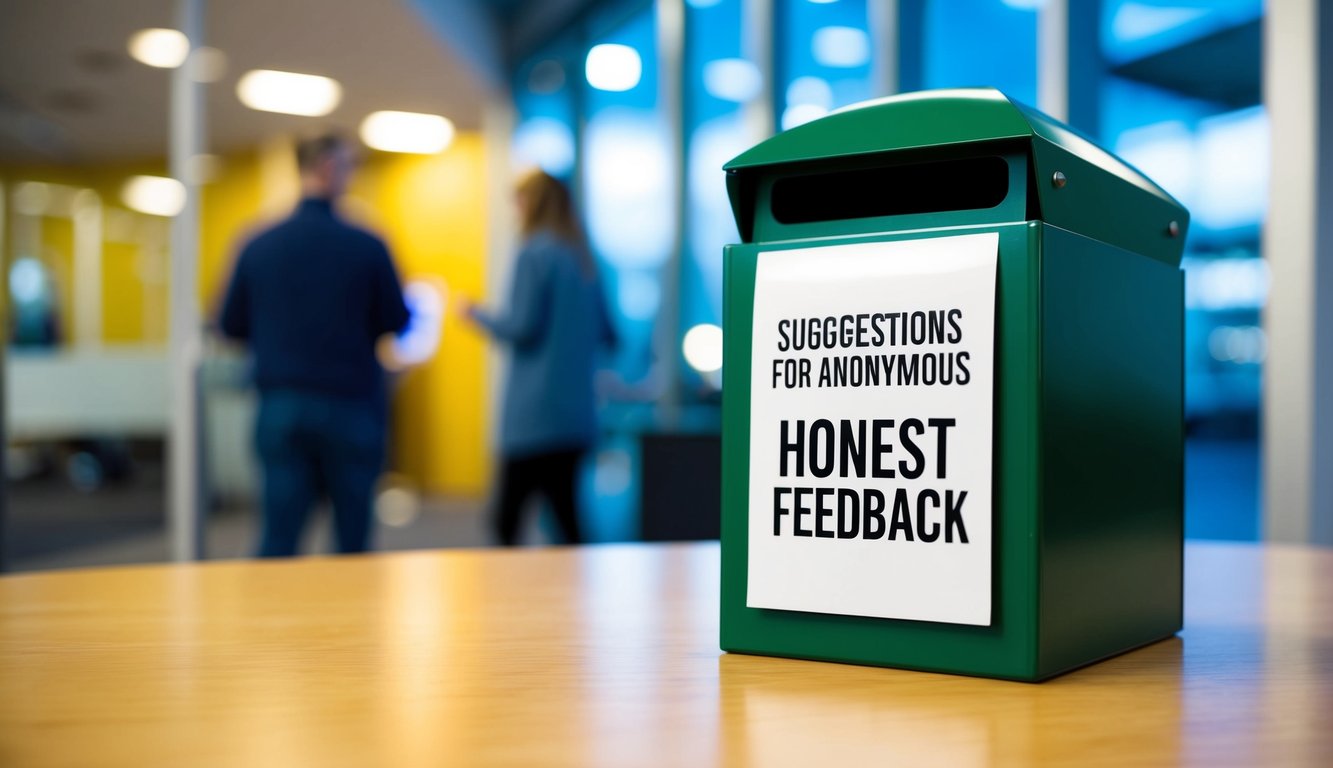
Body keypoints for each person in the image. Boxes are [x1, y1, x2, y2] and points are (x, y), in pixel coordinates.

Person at [218, 133, 410, 557]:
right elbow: (397, 320)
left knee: (279, 538)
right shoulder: (368, 245)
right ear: (328, 166)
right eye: (349, 166)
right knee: (353, 543)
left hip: (282, 407)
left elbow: (230, 325)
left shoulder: (257, 244)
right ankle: (354, 624)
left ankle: (270, 623)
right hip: (351, 407)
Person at [461, 170, 616, 546]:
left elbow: (521, 327)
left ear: (531, 204)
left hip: (534, 417)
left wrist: (475, 313)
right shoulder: (585, 260)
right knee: (568, 518)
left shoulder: (533, 254)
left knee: (506, 522)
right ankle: (578, 599)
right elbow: (610, 335)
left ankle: (503, 603)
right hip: (576, 415)